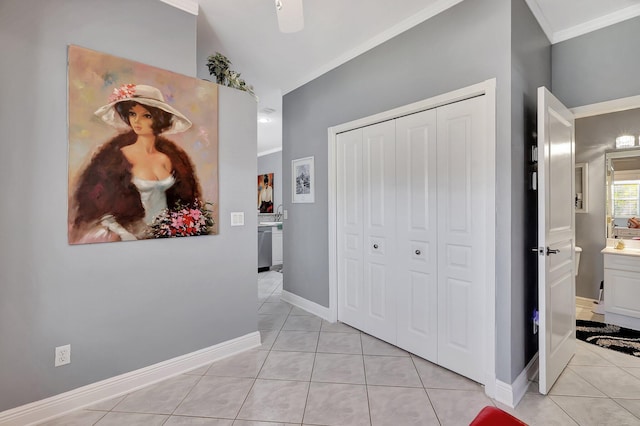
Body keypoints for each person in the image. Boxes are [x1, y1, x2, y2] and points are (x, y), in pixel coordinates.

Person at [69, 84, 202, 243]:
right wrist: (124, 234)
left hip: (166, 236)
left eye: (146, 116)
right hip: (128, 236)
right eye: (132, 114)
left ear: (159, 119)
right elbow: (100, 204)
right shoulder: (116, 159)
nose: (137, 121)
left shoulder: (171, 159)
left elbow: (184, 199)